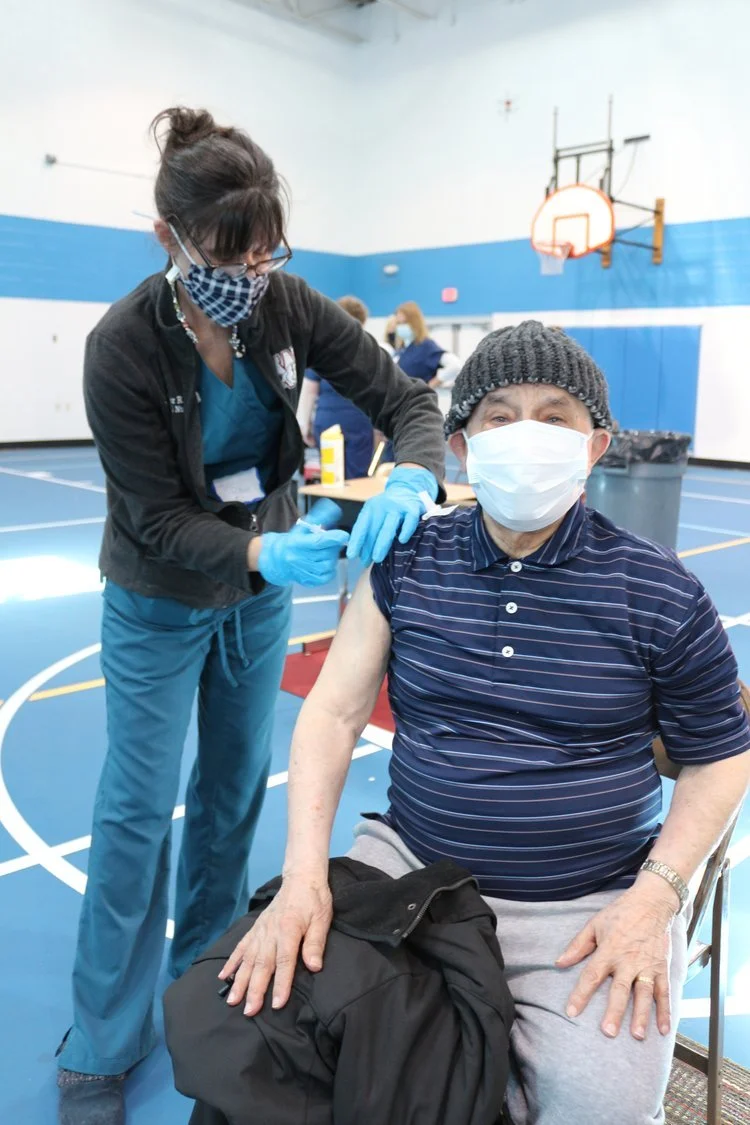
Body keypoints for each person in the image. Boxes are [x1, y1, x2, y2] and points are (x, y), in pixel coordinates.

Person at [220, 322, 750, 1125]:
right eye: (500, 415)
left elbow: (720, 755)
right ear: (462, 447)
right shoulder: (407, 562)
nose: (526, 434)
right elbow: (330, 711)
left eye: (555, 414)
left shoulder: (660, 592)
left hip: (585, 901)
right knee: (269, 1031)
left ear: (596, 444)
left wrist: (656, 900)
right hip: (410, 875)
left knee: (599, 1103)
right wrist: (303, 878)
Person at [57, 106, 446, 1125]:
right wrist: (256, 548)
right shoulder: (121, 348)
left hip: (259, 598)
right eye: (230, 256)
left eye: (268, 253)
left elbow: (405, 398)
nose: (251, 275)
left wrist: (411, 470)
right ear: (170, 243)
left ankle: (199, 985)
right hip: (159, 596)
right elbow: (152, 516)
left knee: (232, 796)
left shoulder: (285, 307)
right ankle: (100, 1038)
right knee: (135, 817)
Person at [296, 296, 376, 480]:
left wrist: (303, 425)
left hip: (328, 421)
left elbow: (309, 391)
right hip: (358, 420)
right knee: (357, 478)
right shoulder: (369, 350)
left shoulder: (322, 351)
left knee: (331, 477)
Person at [393, 300, 461, 388]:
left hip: (418, 399)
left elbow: (455, 365)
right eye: (399, 323)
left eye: (405, 322)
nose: (401, 327)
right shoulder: (401, 350)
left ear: (415, 323)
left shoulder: (426, 346)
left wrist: (432, 384)